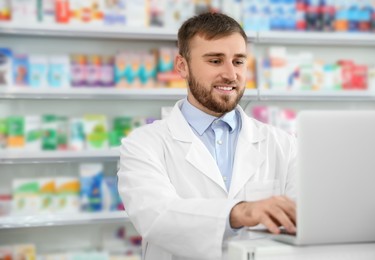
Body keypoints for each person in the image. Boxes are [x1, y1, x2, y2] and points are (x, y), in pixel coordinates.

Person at [117, 12, 297, 260]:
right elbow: (157, 216)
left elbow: (304, 219)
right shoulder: (143, 145)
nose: (231, 74)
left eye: (238, 61)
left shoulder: (283, 144)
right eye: (215, 61)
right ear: (182, 66)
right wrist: (240, 212)